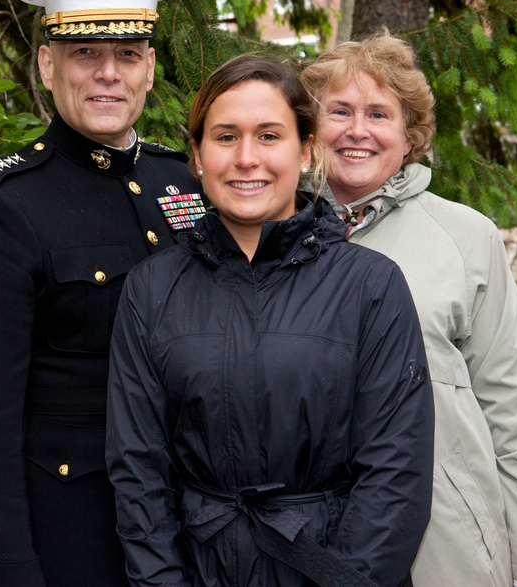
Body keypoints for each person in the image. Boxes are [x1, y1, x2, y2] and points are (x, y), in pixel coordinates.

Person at [106, 55, 435, 587]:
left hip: (328, 569)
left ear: (306, 150)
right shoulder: (153, 288)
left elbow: (395, 474)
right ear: (197, 155)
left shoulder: (370, 286)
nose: (246, 158)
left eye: (269, 136)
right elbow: (139, 471)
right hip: (198, 568)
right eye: (226, 136)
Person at [0, 0, 203, 587]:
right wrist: (8, 571)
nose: (108, 73)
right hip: (76, 540)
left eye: (128, 52)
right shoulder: (5, 204)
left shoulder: (184, 181)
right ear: (47, 65)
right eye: (85, 51)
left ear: (149, 67)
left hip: (195, 529)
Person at [301, 32, 517, 587]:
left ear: (410, 134)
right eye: (340, 111)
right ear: (309, 129)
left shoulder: (466, 237)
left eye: (379, 113)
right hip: (302, 544)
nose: (358, 130)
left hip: (443, 549)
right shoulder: (269, 234)